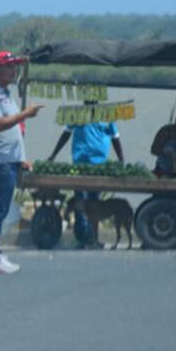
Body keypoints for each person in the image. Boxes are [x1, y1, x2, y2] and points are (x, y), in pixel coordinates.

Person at [0, 51, 42, 274]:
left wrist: (21, 158)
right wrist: (24, 114)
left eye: (14, 66)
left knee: (1, 209)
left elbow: (13, 131)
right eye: (8, 66)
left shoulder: (6, 95)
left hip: (10, 160)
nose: (13, 71)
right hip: (0, 161)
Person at [47, 101, 125, 249]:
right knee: (80, 201)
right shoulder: (78, 115)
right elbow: (66, 133)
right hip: (80, 164)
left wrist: (121, 159)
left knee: (95, 204)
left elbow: (115, 137)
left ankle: (93, 238)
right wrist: (53, 154)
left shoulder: (107, 116)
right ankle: (82, 238)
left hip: (100, 166)